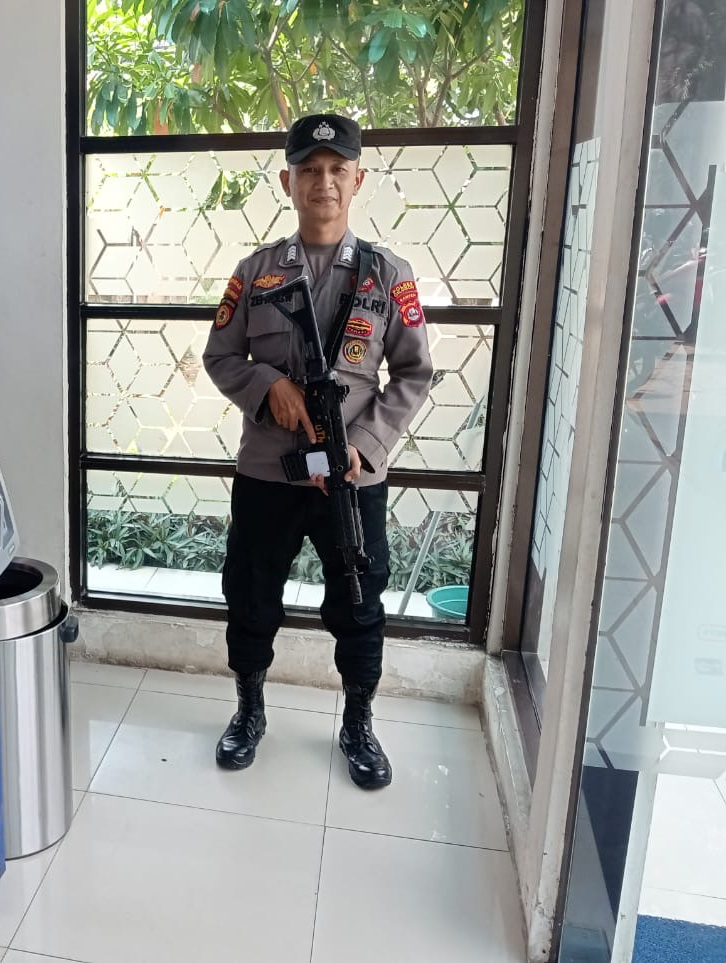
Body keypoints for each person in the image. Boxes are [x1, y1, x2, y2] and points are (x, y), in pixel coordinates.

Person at [202, 113, 433, 789]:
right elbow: (220, 355)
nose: (323, 182)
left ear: (357, 180)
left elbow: (414, 373)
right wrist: (266, 385)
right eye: (309, 170)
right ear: (288, 182)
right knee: (250, 596)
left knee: (359, 604)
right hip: (267, 471)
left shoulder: (389, 275)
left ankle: (358, 722)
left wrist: (365, 441)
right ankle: (249, 710)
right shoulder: (255, 272)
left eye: (337, 170)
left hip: (352, 477)